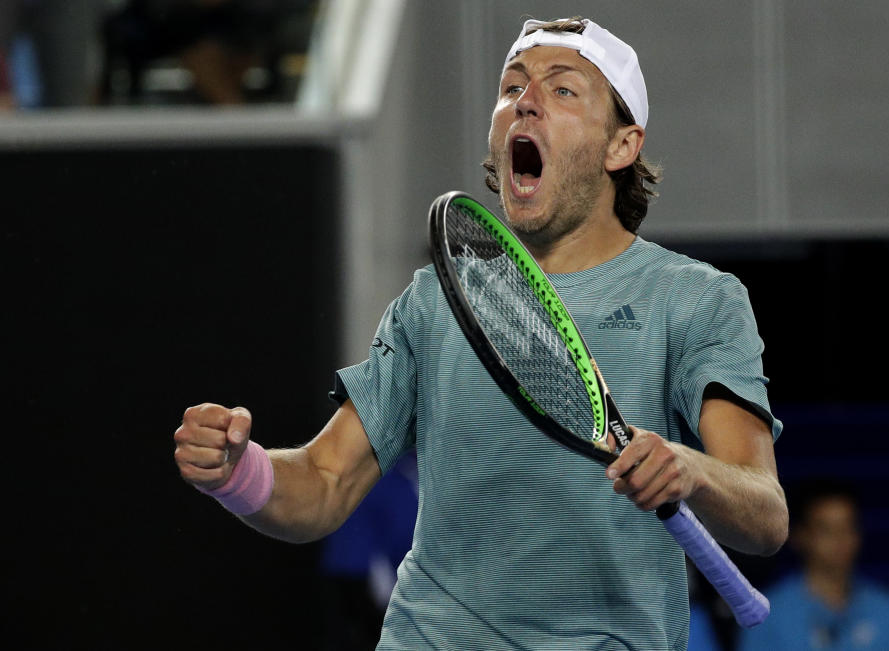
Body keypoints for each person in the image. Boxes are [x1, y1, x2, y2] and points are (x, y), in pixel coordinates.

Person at [174, 16, 788, 649]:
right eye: (512, 88)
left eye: (563, 90)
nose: (525, 102)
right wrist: (236, 472)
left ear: (621, 146)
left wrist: (690, 470)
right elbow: (324, 483)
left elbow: (764, 513)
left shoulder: (697, 299)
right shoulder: (435, 299)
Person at [738, 481, 889, 651]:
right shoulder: (767, 615)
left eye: (847, 527)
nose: (840, 540)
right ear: (799, 536)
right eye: (826, 530)